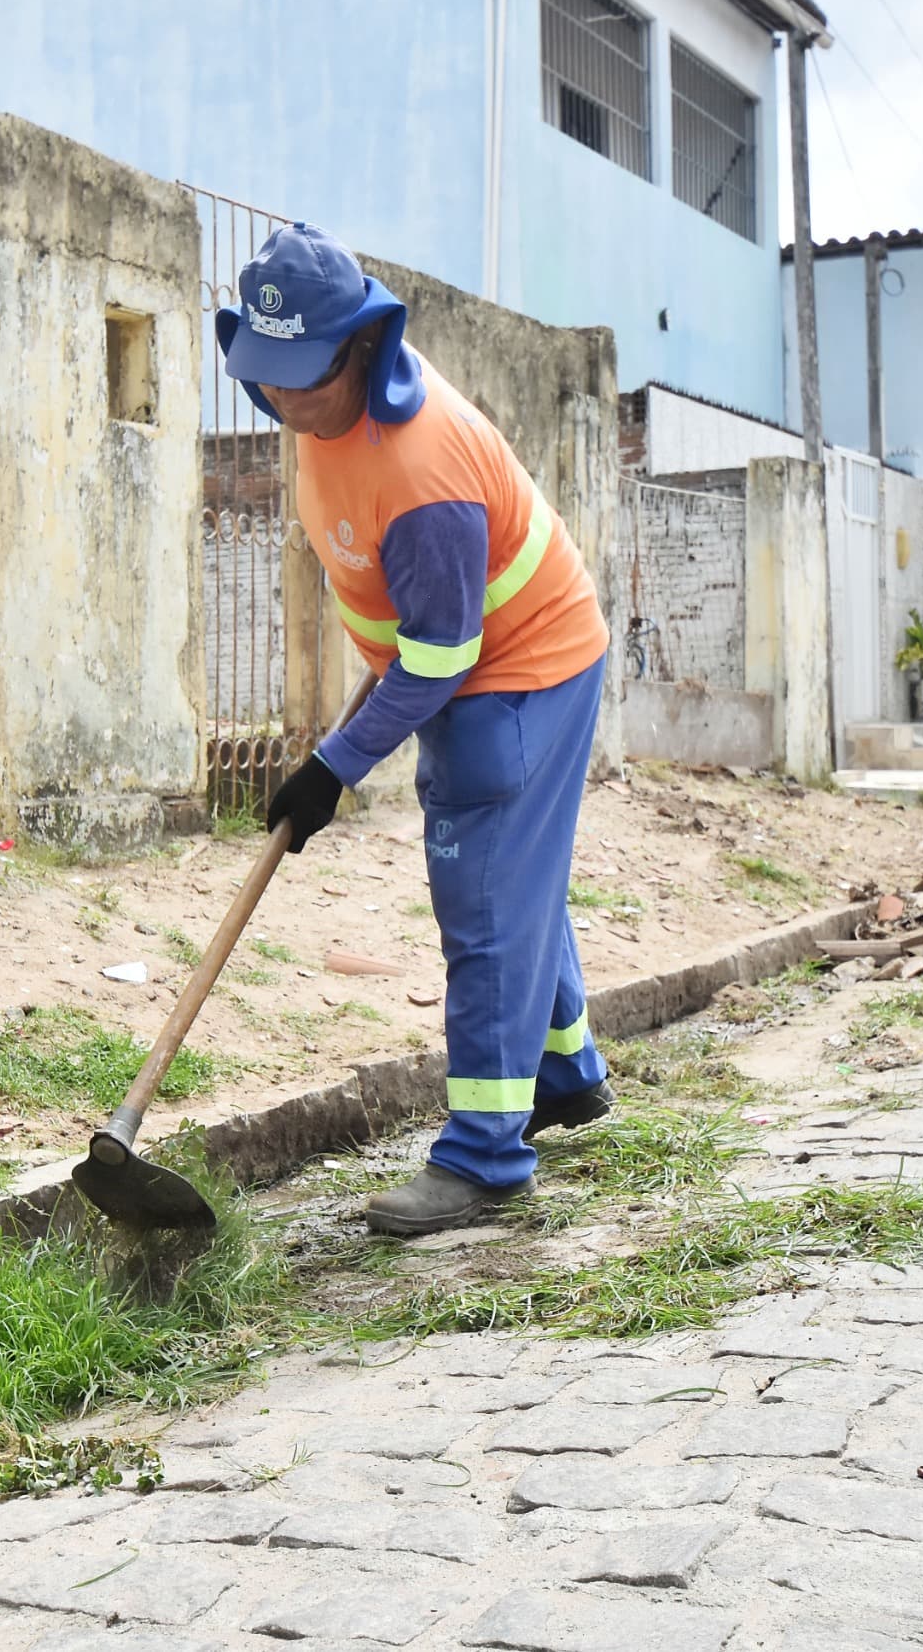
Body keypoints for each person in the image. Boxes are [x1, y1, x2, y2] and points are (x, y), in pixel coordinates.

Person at [215, 223, 613, 1238]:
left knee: (481, 895)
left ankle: (484, 1156)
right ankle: (563, 1071)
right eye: (268, 378)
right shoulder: (324, 412)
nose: (286, 403)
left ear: (362, 348)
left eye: (305, 377)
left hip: (521, 669)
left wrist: (331, 768)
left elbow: (440, 659)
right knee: (516, 873)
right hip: (470, 656)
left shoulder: (423, 470)